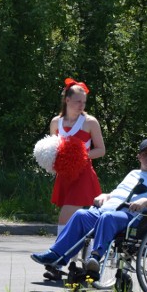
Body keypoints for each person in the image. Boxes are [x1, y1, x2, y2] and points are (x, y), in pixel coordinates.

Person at [31, 139, 147, 273]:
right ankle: (56, 256)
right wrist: (106, 196)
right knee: (80, 215)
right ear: (139, 157)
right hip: (107, 209)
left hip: (131, 217)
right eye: (145, 154)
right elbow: (119, 193)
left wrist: (146, 202)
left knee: (108, 217)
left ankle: (95, 257)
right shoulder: (133, 174)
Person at [49, 78, 105, 234]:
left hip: (83, 175)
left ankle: (60, 254)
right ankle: (79, 253)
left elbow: (101, 150)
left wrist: (79, 155)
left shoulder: (90, 122)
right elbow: (52, 150)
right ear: (67, 100)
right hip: (64, 176)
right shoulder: (56, 122)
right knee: (76, 219)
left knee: (65, 217)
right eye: (78, 101)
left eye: (84, 102)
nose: (82, 105)